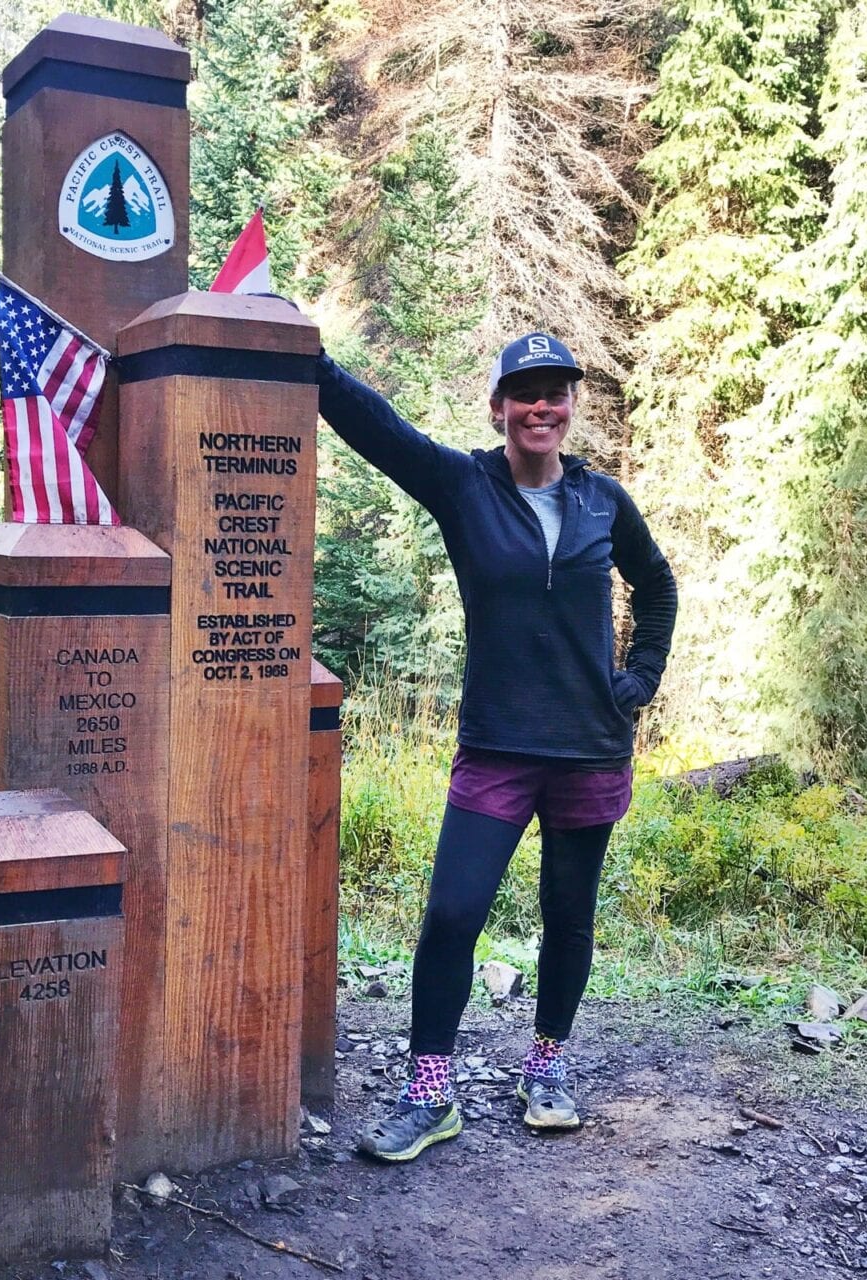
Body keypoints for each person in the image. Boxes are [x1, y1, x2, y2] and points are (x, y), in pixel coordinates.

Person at [314, 331, 677, 1162]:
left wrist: (640, 675)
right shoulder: (464, 486)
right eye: (526, 392)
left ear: (571, 406)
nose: (541, 407)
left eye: (557, 392)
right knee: (451, 915)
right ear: (500, 407)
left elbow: (655, 583)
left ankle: (546, 1069)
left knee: (568, 917)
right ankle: (429, 1093)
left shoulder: (603, 502)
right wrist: (314, 364)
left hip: (590, 745)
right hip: (498, 746)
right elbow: (381, 430)